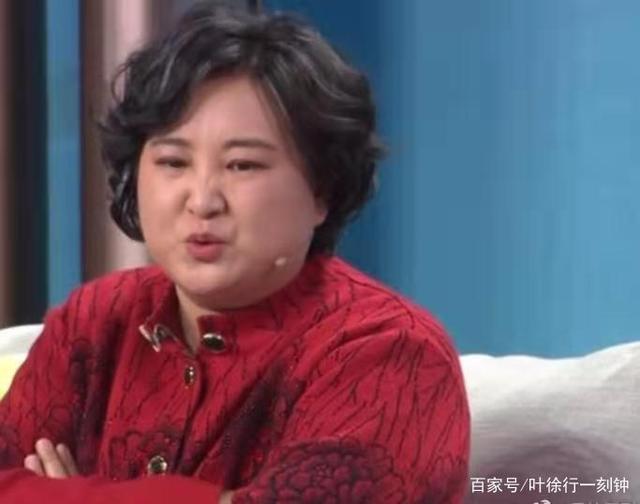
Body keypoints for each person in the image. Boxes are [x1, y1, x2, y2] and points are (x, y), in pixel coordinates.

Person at [0, 2, 470, 502]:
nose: (202, 201)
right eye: (173, 162)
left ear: (323, 189)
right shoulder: (94, 321)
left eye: (242, 166)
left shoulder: (389, 350)